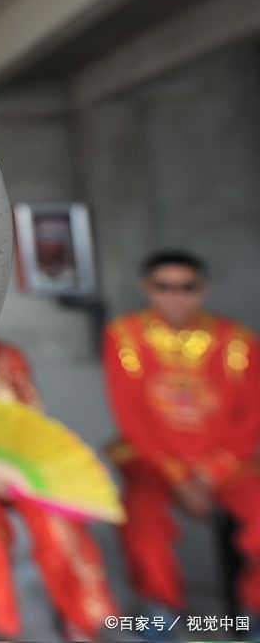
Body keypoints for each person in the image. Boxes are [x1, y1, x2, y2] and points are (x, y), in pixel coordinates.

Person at [0, 340, 118, 640]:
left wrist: (16, 472)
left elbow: (31, 419)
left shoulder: (9, 357)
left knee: (59, 524)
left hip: (19, 465)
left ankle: (80, 618)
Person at [104, 250, 260, 617]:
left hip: (227, 462)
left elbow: (250, 418)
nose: (176, 296)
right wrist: (180, 477)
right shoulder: (125, 336)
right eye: (164, 286)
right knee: (141, 519)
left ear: (204, 289)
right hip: (151, 460)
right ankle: (159, 607)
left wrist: (208, 474)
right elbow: (131, 416)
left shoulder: (237, 341)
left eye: (187, 286)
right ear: (148, 288)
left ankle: (254, 610)